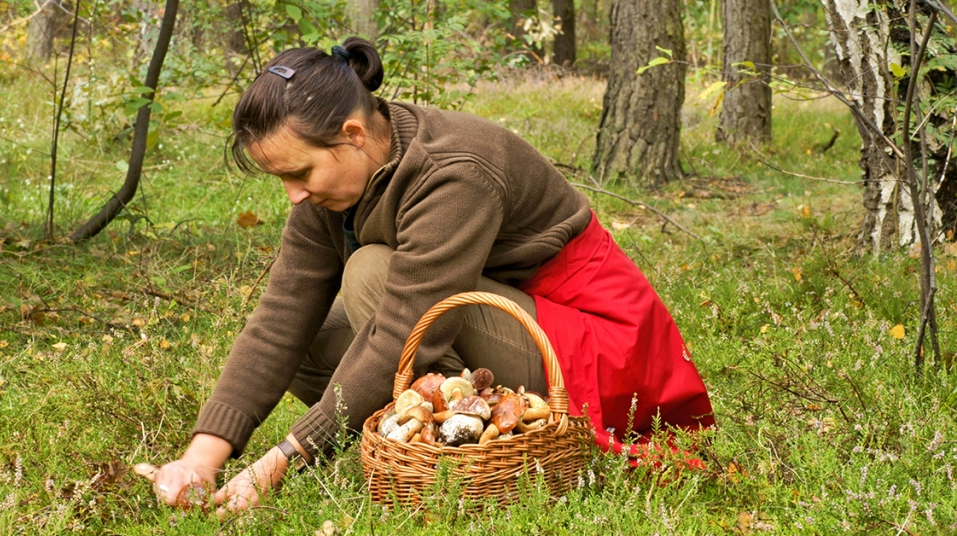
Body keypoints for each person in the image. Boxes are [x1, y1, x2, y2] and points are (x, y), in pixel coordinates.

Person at [152, 37, 715, 516]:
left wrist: (280, 461)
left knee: (372, 272)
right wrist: (203, 458)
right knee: (311, 338)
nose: (293, 194)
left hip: (597, 349)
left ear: (352, 134)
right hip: (505, 320)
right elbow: (280, 318)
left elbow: (405, 331)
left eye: (300, 172)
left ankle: (479, 455)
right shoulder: (327, 191)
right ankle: (445, 438)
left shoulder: (454, 171)